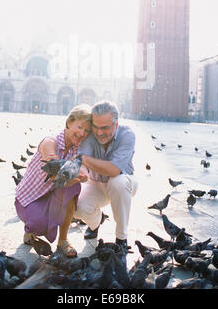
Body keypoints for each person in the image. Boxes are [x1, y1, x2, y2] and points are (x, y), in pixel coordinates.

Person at [14, 104, 91, 258]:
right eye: (80, 127)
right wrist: (59, 168)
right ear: (69, 122)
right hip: (29, 199)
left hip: (51, 196)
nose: (82, 133)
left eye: (87, 131)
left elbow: (82, 169)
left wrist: (81, 175)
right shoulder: (50, 141)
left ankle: (63, 240)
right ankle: (30, 228)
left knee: (73, 186)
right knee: (38, 225)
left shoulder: (78, 151)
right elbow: (51, 159)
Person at [73, 100, 138, 247]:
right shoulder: (90, 135)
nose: (99, 132)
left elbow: (114, 170)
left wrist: (84, 159)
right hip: (96, 184)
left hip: (125, 182)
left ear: (116, 124)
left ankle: (121, 239)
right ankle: (96, 222)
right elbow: (81, 163)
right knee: (76, 207)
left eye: (105, 128)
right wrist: (82, 168)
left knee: (118, 182)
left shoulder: (127, 135)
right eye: (95, 126)